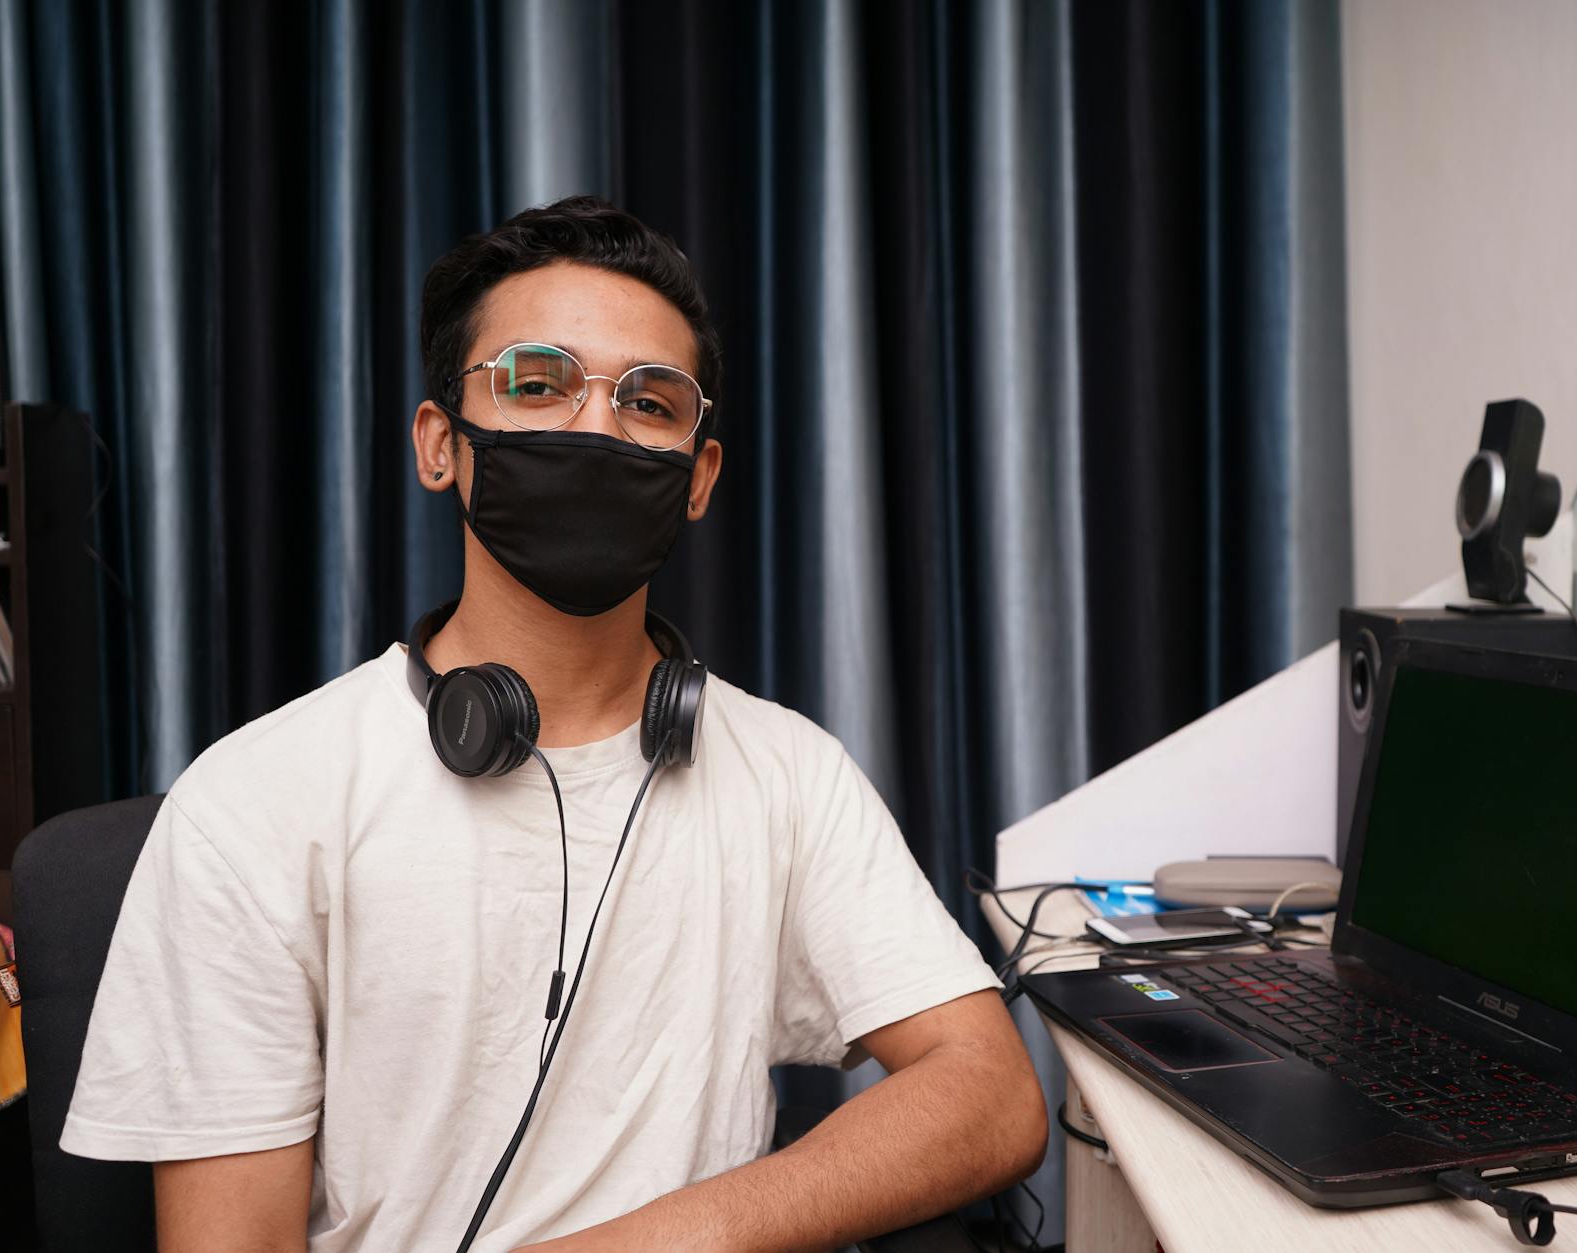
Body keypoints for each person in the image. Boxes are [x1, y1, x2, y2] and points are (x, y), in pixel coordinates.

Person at [62, 195, 1047, 1252]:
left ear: (698, 476)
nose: (594, 425)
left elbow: (990, 1093)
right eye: (537, 384)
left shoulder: (786, 770)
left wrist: (674, 1237)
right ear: (441, 444)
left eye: (649, 402)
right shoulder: (254, 798)